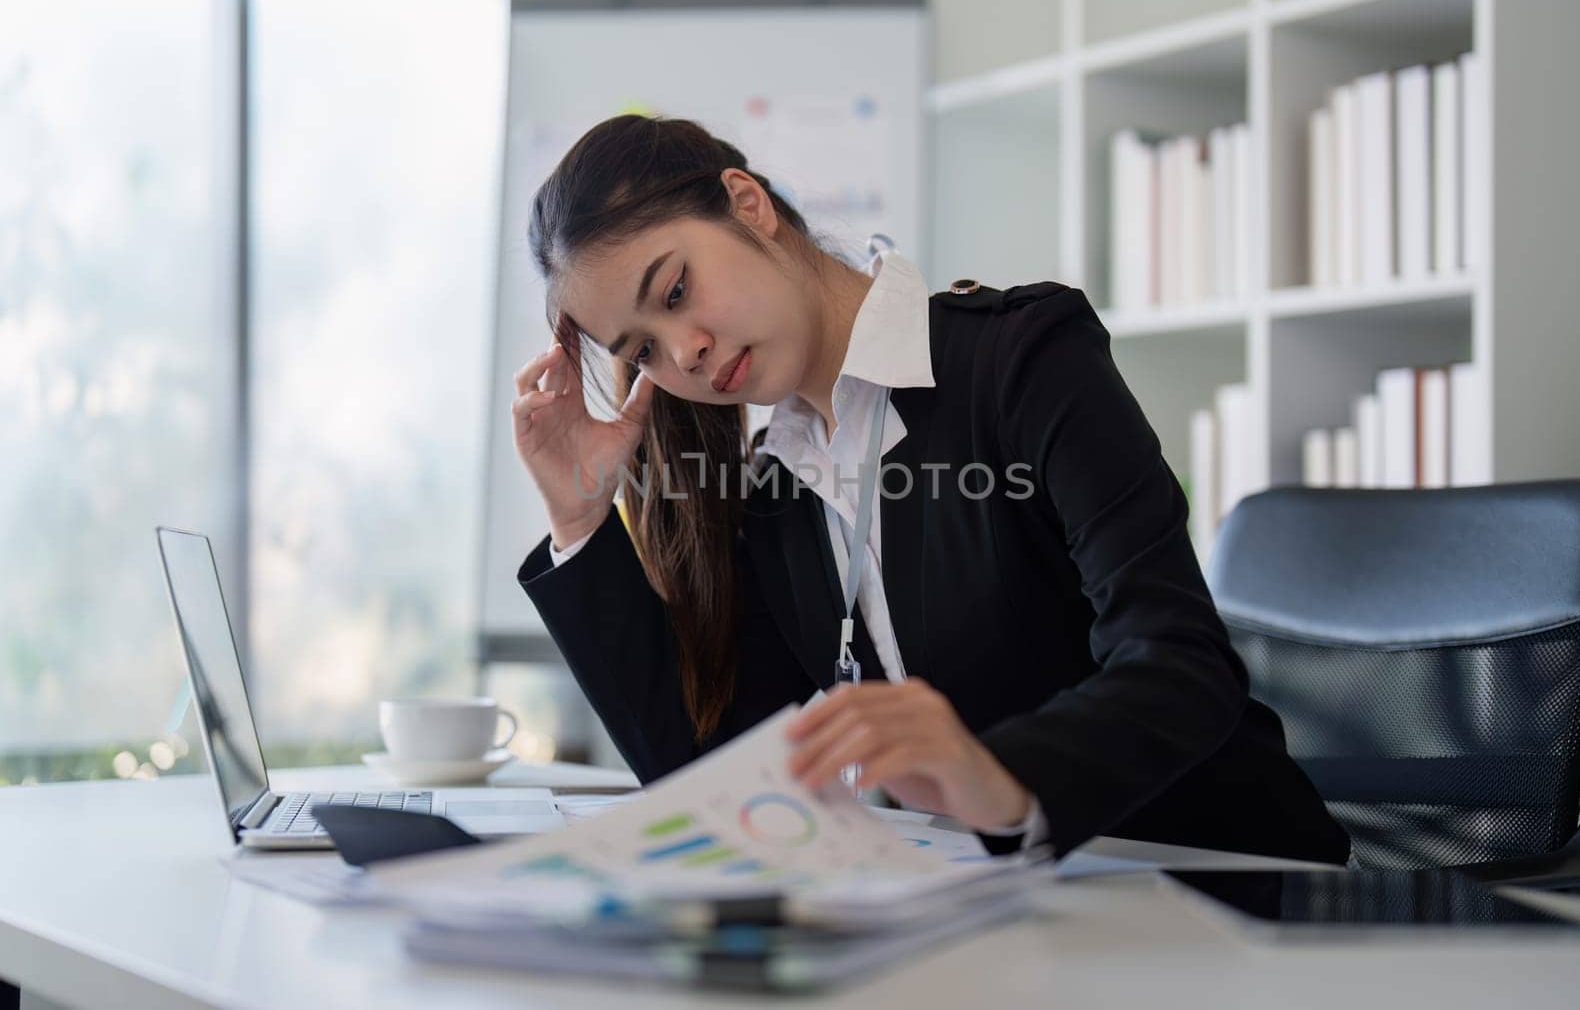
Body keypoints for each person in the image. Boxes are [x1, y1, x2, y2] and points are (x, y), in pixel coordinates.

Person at [509, 113, 1351, 864]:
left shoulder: (1023, 360)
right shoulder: (776, 488)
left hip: (1224, 885)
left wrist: (998, 777)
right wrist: (580, 515)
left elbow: (1182, 664)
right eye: (644, 349)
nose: (684, 351)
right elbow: (719, 776)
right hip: (1025, 920)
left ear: (747, 203)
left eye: (677, 290)